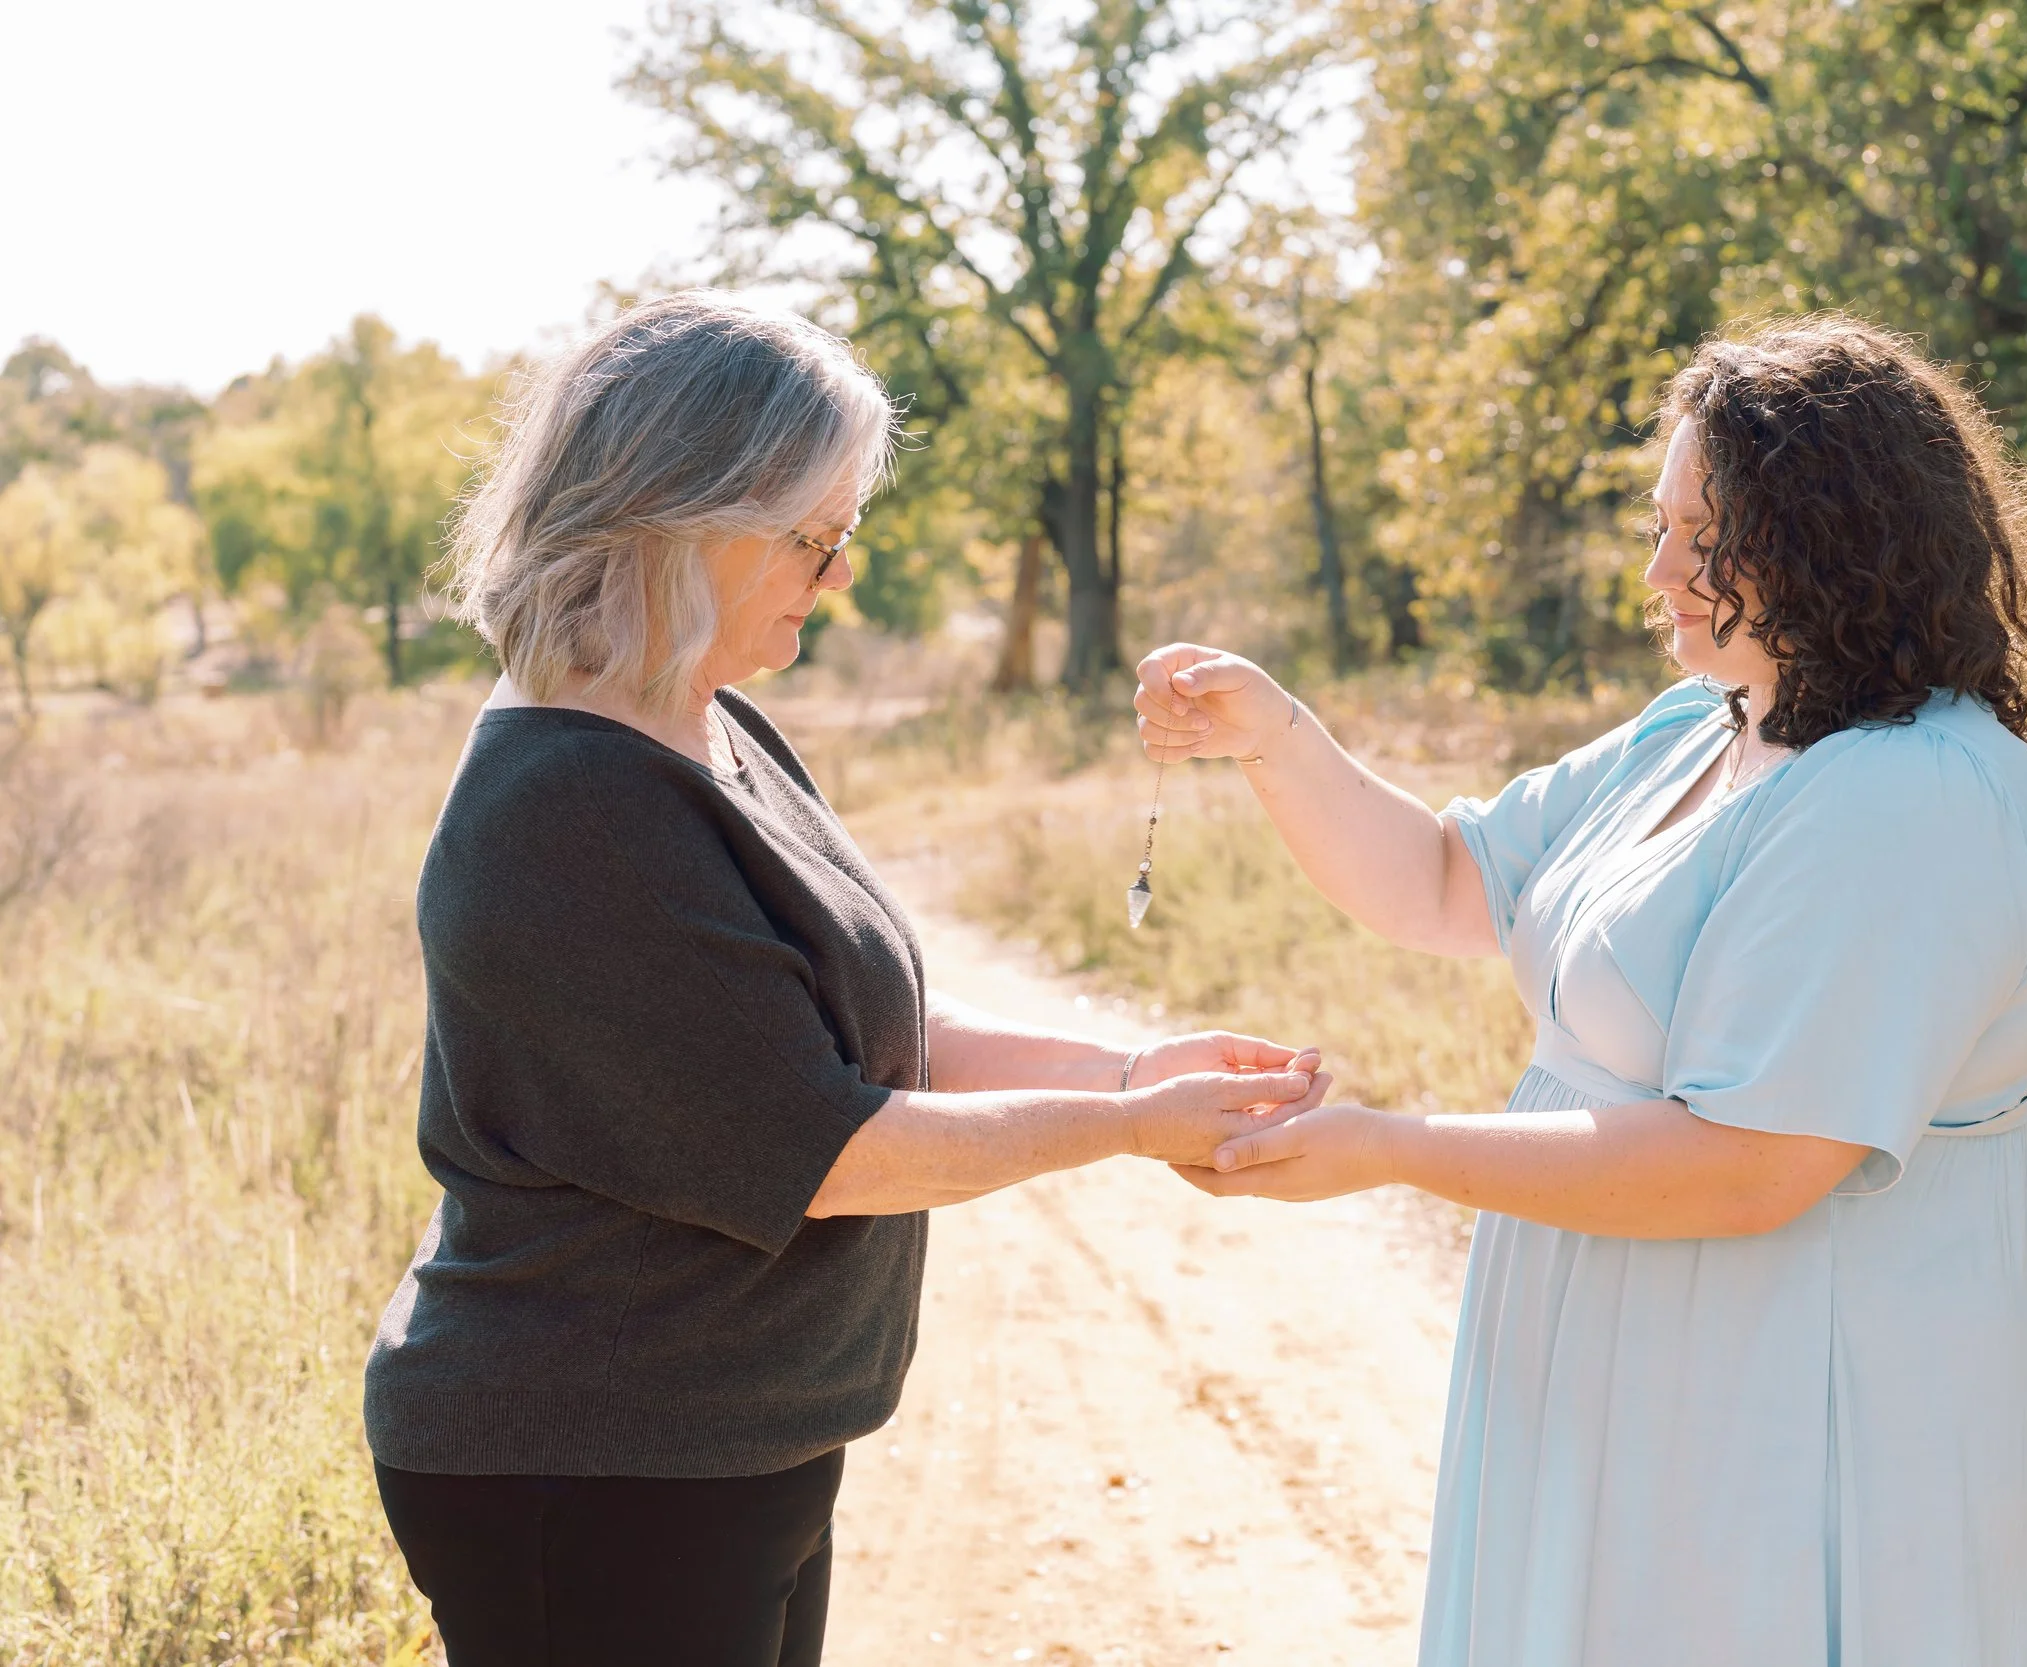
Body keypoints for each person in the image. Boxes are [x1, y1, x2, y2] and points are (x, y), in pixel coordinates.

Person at [363, 292, 1324, 1667]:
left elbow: (864, 1032)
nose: (834, 576)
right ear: (680, 514)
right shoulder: (571, 805)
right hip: (587, 1469)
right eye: (814, 538)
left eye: (843, 537)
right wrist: (1123, 1129)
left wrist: (1127, 1069)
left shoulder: (707, 719)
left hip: (716, 1447)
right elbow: (825, 1146)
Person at [1134, 315, 2027, 1666]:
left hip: (1781, 1431)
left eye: (1708, 537)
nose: (1662, 573)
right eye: (1661, 526)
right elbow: (1449, 881)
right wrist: (1271, 735)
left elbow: (1752, 1162)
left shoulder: (1914, 794)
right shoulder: (1707, 724)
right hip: (1622, 1405)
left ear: (1836, 533)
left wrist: (1393, 1148)